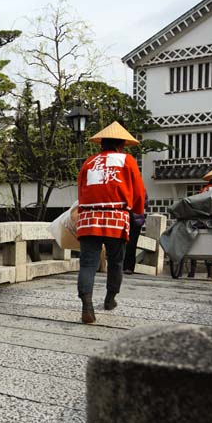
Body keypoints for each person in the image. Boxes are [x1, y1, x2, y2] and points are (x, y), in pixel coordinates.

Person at [75, 121, 146, 324]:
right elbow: (139, 190)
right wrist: (138, 212)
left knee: (88, 264)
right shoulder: (127, 160)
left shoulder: (89, 162)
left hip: (89, 218)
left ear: (102, 144)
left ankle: (86, 306)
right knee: (115, 261)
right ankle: (109, 299)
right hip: (116, 217)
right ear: (120, 144)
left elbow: (80, 189)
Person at [123, 192, 148, 274]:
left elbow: (145, 203)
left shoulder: (141, 189)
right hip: (125, 218)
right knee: (123, 243)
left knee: (131, 244)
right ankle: (124, 266)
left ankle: (129, 267)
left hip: (135, 220)